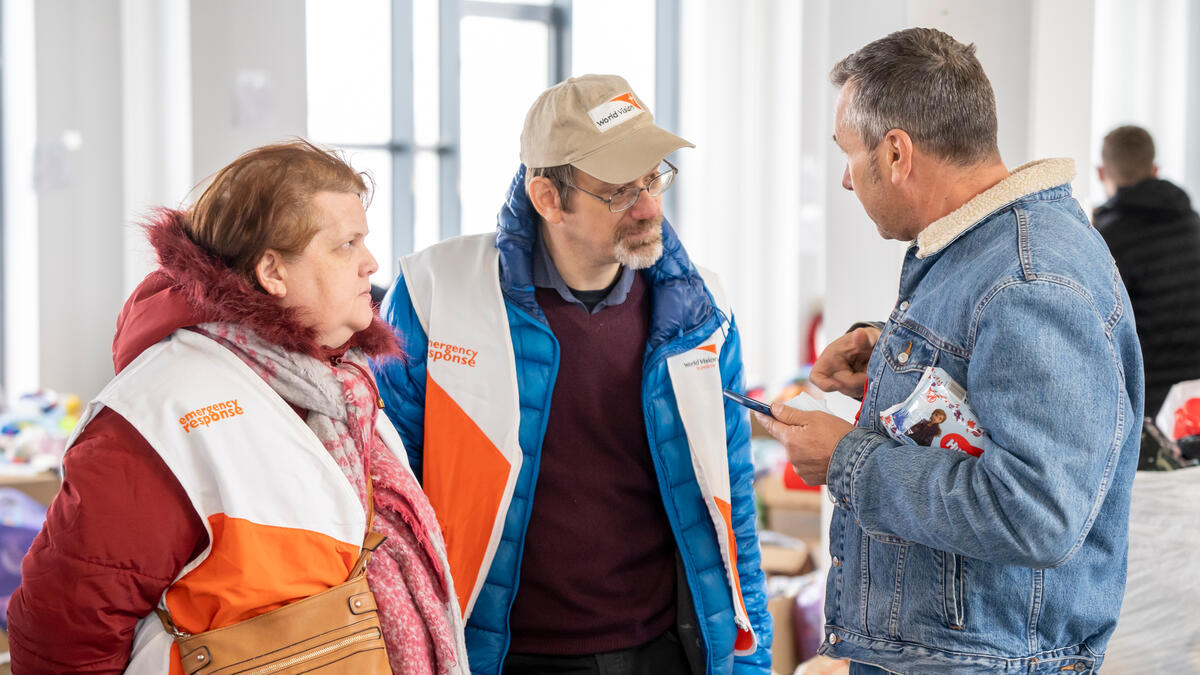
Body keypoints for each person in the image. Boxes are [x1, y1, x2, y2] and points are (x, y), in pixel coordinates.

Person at [755, 29, 1142, 674]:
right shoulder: (987, 254)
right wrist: (891, 362)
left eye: (848, 155)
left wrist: (846, 459)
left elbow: (1035, 512)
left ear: (897, 152)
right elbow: (994, 384)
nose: (846, 182)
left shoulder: (1031, 280)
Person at [6, 140, 470, 674]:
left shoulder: (340, 386)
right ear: (272, 271)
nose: (370, 263)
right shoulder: (161, 410)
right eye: (346, 244)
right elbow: (64, 629)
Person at [373, 74, 771, 674]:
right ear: (547, 198)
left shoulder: (702, 311)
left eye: (654, 177)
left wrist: (749, 658)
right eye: (618, 191)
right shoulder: (436, 293)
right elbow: (383, 498)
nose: (648, 206)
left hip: (664, 652)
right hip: (500, 656)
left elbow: (731, 499)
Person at [1094, 124, 1200, 417]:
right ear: (1155, 169)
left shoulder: (1105, 240)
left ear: (1101, 173)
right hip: (1193, 402)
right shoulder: (1193, 223)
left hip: (1144, 409)